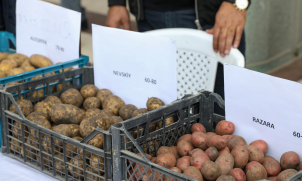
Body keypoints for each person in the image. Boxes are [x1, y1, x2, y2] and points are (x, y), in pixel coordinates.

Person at [105, 0, 250, 115]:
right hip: (149, 14)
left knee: (223, 114)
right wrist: (116, 2)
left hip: (215, 14)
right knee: (157, 118)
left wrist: (236, 2)